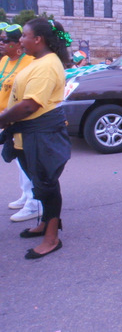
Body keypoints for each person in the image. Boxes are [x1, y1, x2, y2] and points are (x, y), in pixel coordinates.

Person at [0, 18, 71, 259]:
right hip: (28, 136)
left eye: (25, 35)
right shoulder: (38, 61)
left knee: (47, 184)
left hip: (42, 136)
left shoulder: (47, 65)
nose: (21, 40)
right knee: (38, 181)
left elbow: (29, 105)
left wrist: (3, 119)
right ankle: (44, 223)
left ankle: (52, 238)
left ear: (38, 39)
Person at [0, 24, 40, 222]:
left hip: (15, 119)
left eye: (5, 40)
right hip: (4, 118)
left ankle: (34, 202)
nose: (1, 43)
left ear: (18, 45)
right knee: (17, 161)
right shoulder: (4, 61)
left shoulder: (31, 63)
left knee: (25, 159)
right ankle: (26, 195)